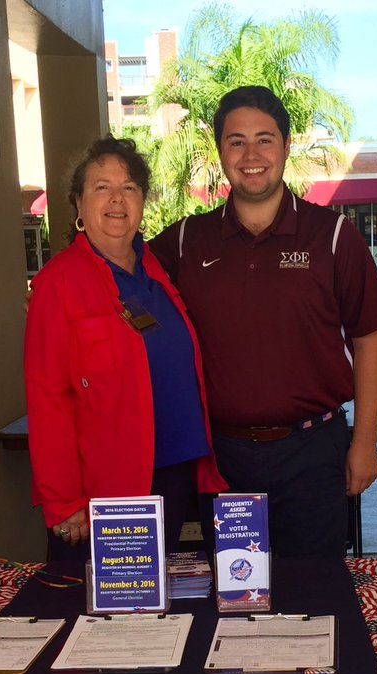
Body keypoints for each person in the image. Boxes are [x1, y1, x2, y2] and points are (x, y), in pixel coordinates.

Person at [150, 85, 377, 558]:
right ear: (220, 151)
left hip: (312, 452)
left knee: (314, 588)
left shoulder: (333, 236)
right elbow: (119, 276)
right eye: (236, 141)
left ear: (286, 145)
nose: (251, 155)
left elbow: (369, 339)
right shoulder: (185, 242)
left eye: (264, 139)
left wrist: (365, 442)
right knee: (236, 590)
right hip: (222, 459)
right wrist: (59, 294)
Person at [24, 134, 226, 562]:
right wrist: (63, 501)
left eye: (129, 187)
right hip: (108, 489)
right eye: (102, 187)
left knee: (160, 595)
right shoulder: (58, 283)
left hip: (175, 470)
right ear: (78, 203)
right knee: (110, 602)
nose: (117, 198)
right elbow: (47, 399)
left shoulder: (154, 268)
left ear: (142, 201)